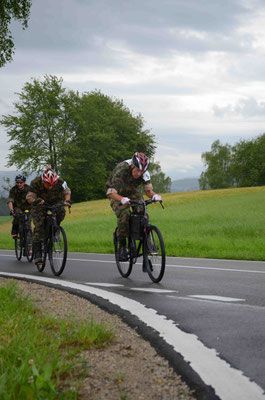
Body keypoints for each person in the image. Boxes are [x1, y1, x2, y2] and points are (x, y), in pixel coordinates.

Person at [106, 152, 162, 261]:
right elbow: (110, 192)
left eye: (141, 171)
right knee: (125, 214)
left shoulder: (144, 173)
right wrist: (122, 199)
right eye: (137, 170)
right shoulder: (121, 170)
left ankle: (147, 242)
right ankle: (122, 246)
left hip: (132, 191)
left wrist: (155, 196)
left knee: (142, 210)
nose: (138, 173)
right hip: (116, 193)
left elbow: (148, 191)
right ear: (132, 165)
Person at [26, 166, 71, 263]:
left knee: (61, 211)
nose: (50, 187)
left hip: (55, 201)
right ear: (43, 181)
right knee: (39, 224)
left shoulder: (60, 181)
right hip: (40, 203)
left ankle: (55, 229)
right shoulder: (36, 182)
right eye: (48, 185)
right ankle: (38, 252)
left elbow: (67, 191)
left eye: (52, 185)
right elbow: (29, 197)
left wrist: (67, 201)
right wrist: (35, 200)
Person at [7, 175, 31, 239]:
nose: (19, 184)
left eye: (21, 182)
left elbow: (34, 198)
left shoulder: (29, 189)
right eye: (17, 182)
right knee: (17, 215)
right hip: (17, 207)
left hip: (28, 208)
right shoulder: (13, 189)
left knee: (28, 225)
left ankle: (27, 244)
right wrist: (11, 210)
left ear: (24, 182)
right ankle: (15, 229)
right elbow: (10, 201)